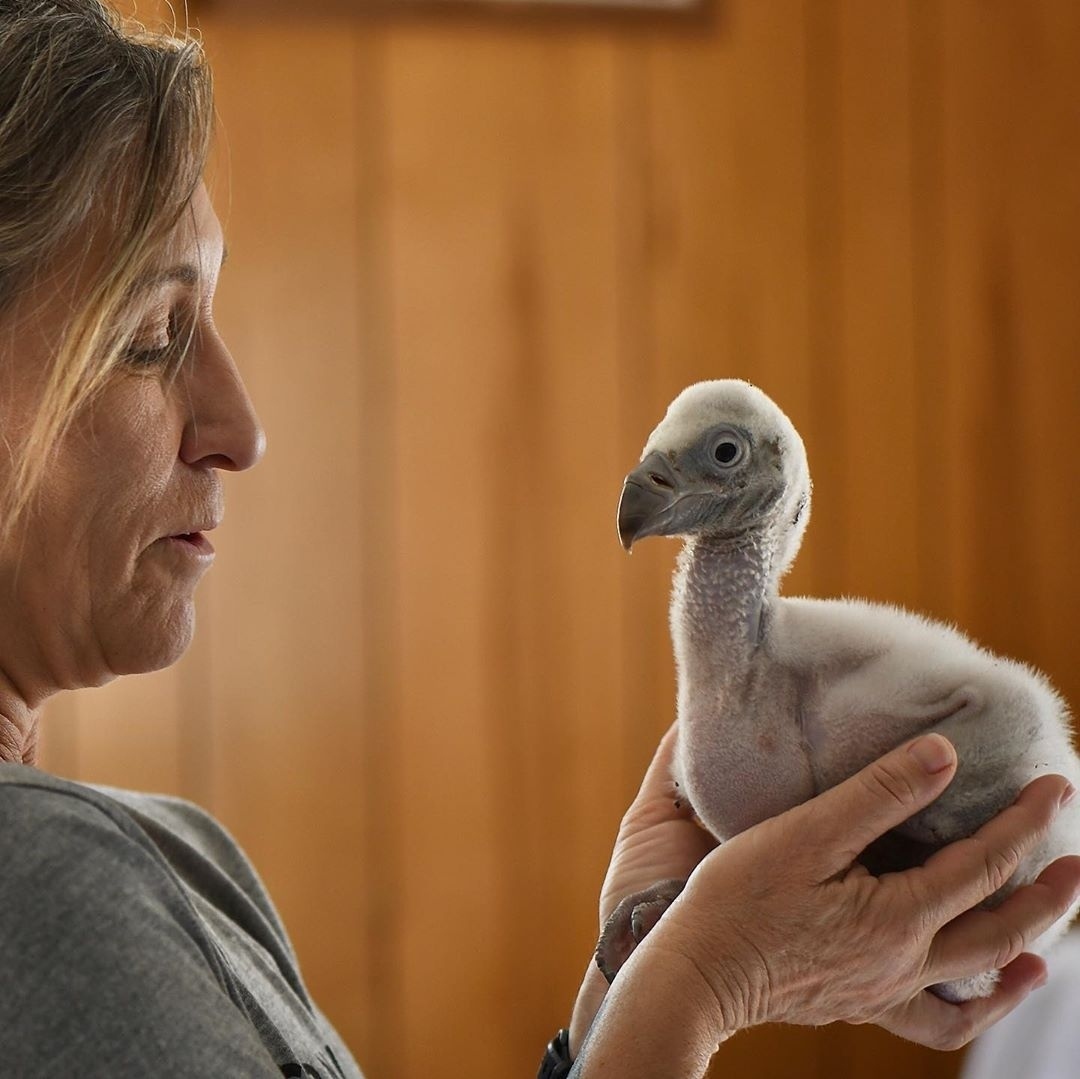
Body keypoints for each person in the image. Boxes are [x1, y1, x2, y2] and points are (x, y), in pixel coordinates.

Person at [0, 5, 1076, 1079]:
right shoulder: (42, 887)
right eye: (150, 338)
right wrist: (706, 979)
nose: (242, 426)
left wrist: (634, 971)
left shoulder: (183, 859)